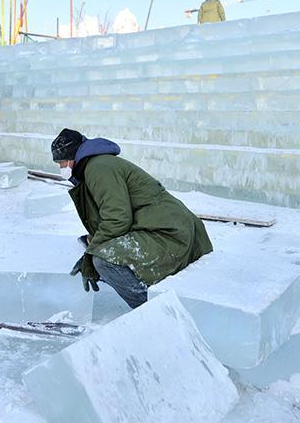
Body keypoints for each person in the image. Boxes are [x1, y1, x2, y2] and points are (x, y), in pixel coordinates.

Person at [51, 128, 213, 308]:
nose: (61, 168)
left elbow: (117, 219)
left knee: (104, 261)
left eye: (62, 163)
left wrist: (91, 255)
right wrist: (93, 242)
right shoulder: (96, 166)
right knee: (98, 249)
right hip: (164, 227)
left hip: (169, 233)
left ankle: (151, 311)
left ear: (72, 157)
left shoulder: (98, 168)